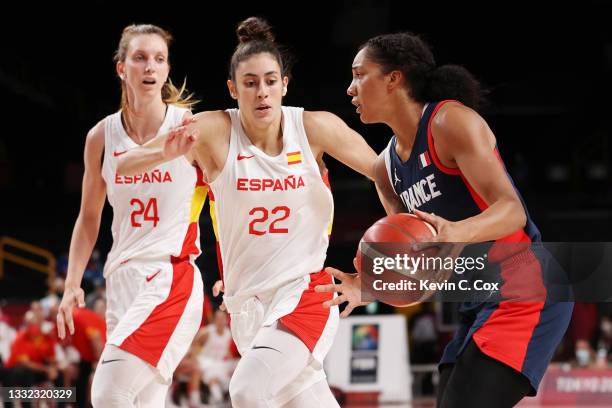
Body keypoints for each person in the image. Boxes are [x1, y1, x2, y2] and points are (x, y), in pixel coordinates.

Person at [117, 16, 377, 408]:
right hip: (245, 309)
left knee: (246, 391)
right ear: (232, 88)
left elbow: (387, 178)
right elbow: (124, 166)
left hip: (304, 295)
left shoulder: (315, 128)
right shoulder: (212, 131)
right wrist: (165, 152)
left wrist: (371, 279)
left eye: (271, 81)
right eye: (251, 83)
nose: (262, 93)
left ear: (285, 84)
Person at [316, 32, 574, 407]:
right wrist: (370, 284)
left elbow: (512, 209)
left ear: (394, 77)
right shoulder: (384, 168)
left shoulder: (449, 122)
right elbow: (419, 269)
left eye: (359, 75)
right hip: (478, 298)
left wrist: (455, 232)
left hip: (528, 286)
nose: (350, 89)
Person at [55, 24, 205, 407]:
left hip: (169, 274)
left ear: (167, 69)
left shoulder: (189, 127)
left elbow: (227, 195)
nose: (149, 67)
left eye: (159, 59)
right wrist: (72, 282)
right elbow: (89, 218)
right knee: (142, 402)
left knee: (107, 393)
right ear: (122, 68)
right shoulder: (101, 137)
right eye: (140, 58)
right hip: (120, 281)